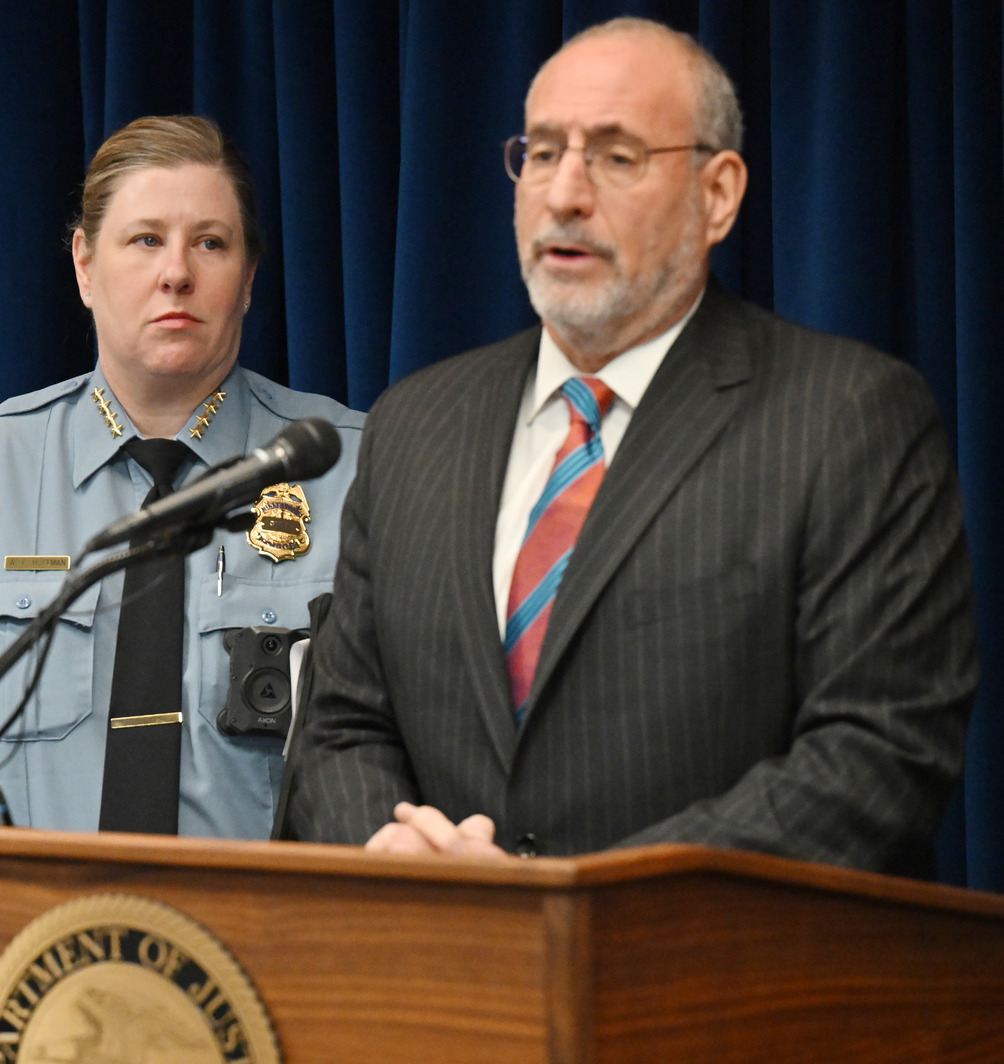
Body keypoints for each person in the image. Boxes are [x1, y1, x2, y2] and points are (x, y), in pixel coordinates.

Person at [284, 17, 976, 875]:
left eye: (616, 156)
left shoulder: (848, 417)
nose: (565, 194)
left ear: (718, 193)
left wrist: (572, 904)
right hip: (449, 978)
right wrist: (403, 860)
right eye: (541, 153)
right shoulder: (414, 424)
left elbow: (876, 757)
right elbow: (341, 725)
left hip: (712, 988)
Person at [0, 116, 366, 838]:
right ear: (85, 266)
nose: (177, 272)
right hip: (31, 933)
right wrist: (5, 890)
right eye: (146, 238)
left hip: (279, 936)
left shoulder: (356, 471)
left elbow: (419, 741)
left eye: (211, 243)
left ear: (248, 280)